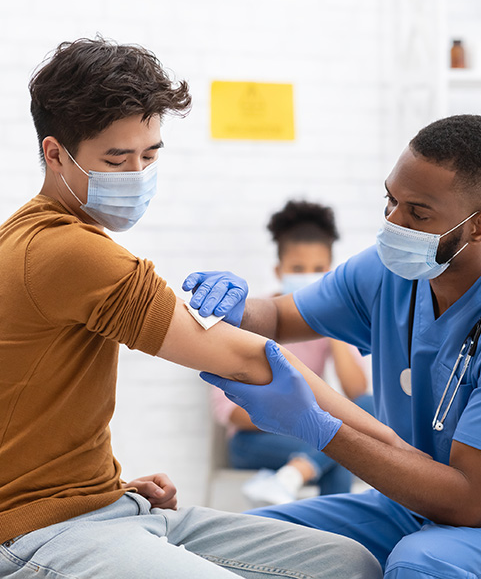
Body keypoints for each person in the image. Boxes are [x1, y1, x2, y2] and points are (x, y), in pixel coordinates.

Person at [0, 36, 391, 579]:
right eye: (116, 159)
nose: (137, 174)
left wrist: (104, 484)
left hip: (111, 507)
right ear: (54, 154)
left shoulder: (34, 239)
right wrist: (400, 457)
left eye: (150, 155)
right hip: (42, 531)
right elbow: (249, 359)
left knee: (348, 563)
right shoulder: (64, 249)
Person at [189, 114, 481, 578]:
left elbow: (468, 504)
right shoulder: (388, 274)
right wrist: (239, 307)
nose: (393, 223)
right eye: (391, 200)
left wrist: (318, 428)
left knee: (419, 565)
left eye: (418, 213)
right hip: (416, 502)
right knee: (240, 542)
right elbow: (282, 317)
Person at [211, 200, 372, 505]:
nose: (308, 276)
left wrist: (330, 324)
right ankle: (333, 542)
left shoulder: (330, 322)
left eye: (318, 270)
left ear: (331, 272)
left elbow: (357, 393)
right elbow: (228, 412)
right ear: (279, 270)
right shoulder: (248, 319)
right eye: (298, 269)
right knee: (339, 450)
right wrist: (299, 420)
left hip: (308, 433)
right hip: (253, 441)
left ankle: (291, 477)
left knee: (368, 409)